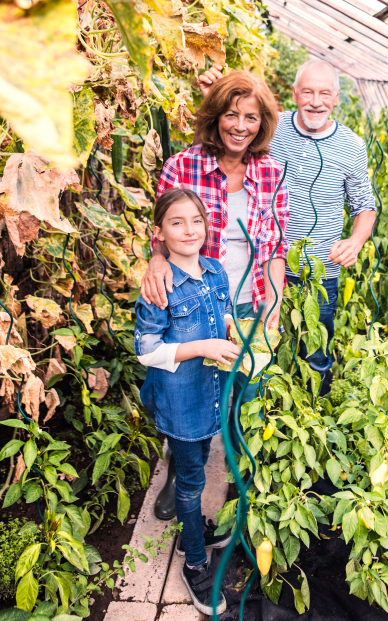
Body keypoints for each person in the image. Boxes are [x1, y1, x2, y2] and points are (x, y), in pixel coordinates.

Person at [140, 70, 289, 518]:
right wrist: (155, 260)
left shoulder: (271, 172)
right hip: (192, 303)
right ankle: (182, 472)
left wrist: (274, 303)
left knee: (243, 389)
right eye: (231, 115)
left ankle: (238, 484)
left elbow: (275, 246)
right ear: (215, 117)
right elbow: (161, 236)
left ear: (262, 123)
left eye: (251, 117)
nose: (240, 126)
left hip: (248, 299)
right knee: (187, 391)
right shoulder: (182, 165)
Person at [198, 59, 376, 389]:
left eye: (325, 93)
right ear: (294, 94)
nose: (316, 101)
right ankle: (266, 411)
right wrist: (215, 99)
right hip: (261, 268)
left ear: (337, 98)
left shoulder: (352, 146)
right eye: (307, 92)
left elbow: (365, 205)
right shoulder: (269, 127)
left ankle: (313, 411)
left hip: (318, 271)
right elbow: (225, 139)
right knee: (259, 351)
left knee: (314, 350)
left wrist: (356, 241)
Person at [134, 188, 240, 615]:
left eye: (196, 220)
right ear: (159, 232)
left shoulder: (215, 271)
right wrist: (204, 346)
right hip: (181, 402)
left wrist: (238, 328)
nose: (189, 230)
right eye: (176, 222)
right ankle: (194, 560)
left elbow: (223, 313)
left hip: (209, 394)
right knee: (192, 481)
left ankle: (192, 530)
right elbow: (147, 350)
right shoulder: (159, 284)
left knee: (197, 463)